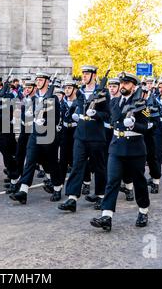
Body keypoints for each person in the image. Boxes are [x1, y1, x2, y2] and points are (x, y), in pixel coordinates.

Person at [90, 72, 150, 231]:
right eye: (122, 83)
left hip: (135, 149)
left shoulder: (142, 104)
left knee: (139, 182)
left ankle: (143, 211)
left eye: (127, 83)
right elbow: (111, 117)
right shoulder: (114, 101)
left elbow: (148, 127)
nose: (123, 86)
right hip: (116, 147)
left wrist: (133, 125)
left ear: (134, 86)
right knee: (112, 181)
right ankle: (107, 216)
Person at [58, 65, 110, 212]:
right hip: (80, 135)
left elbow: (107, 114)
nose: (84, 76)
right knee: (77, 166)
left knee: (99, 167)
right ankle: (72, 198)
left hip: (96, 135)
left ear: (94, 75)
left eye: (87, 74)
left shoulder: (103, 92)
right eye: (83, 74)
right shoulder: (79, 92)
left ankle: (100, 195)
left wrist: (96, 114)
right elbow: (78, 107)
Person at [9, 72, 61, 204]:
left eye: (40, 80)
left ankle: (57, 187)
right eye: (37, 80)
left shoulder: (53, 98)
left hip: (48, 136)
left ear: (47, 82)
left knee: (51, 164)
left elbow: (56, 119)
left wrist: (44, 121)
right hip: (34, 134)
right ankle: (23, 190)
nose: (37, 82)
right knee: (30, 162)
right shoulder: (33, 99)